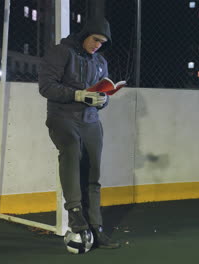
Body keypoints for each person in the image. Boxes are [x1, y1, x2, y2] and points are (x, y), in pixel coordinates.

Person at [38, 17, 120, 249]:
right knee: (71, 151)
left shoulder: (100, 61)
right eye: (95, 40)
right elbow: (46, 87)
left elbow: (101, 98)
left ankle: (97, 229)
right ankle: (76, 216)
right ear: (86, 35)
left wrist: (102, 100)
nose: (97, 45)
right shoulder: (61, 52)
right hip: (62, 117)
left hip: (91, 121)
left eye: (102, 42)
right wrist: (78, 95)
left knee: (93, 174)